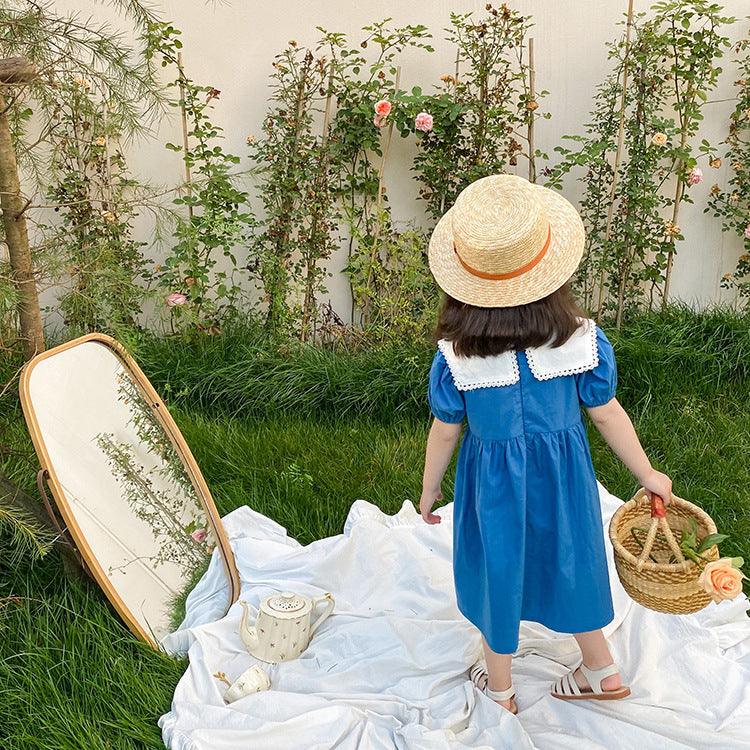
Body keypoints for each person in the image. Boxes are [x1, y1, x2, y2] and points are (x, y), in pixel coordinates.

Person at [419, 174, 672, 715]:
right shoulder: (580, 339)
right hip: (564, 476)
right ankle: (601, 670)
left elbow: (446, 429)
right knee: (572, 557)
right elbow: (605, 413)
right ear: (551, 273)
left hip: (492, 480)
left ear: (463, 287)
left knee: (497, 566)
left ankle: (502, 688)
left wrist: (429, 490)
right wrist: (646, 473)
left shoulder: (458, 357)